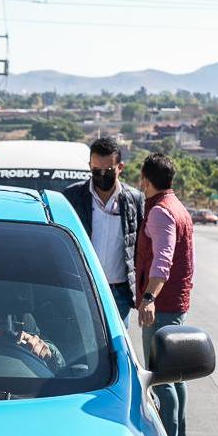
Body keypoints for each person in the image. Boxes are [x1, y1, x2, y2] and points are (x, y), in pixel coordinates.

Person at [136, 152, 194, 436]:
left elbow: (162, 261)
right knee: (175, 376)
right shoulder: (177, 206)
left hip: (163, 305)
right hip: (176, 302)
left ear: (146, 179)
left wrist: (149, 298)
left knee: (161, 379)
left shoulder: (160, 212)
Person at [63, 137, 144, 325]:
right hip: (81, 290)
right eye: (95, 170)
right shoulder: (72, 197)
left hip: (119, 293)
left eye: (107, 171)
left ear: (120, 167)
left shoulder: (134, 200)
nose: (101, 175)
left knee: (117, 346)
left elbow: (140, 247)